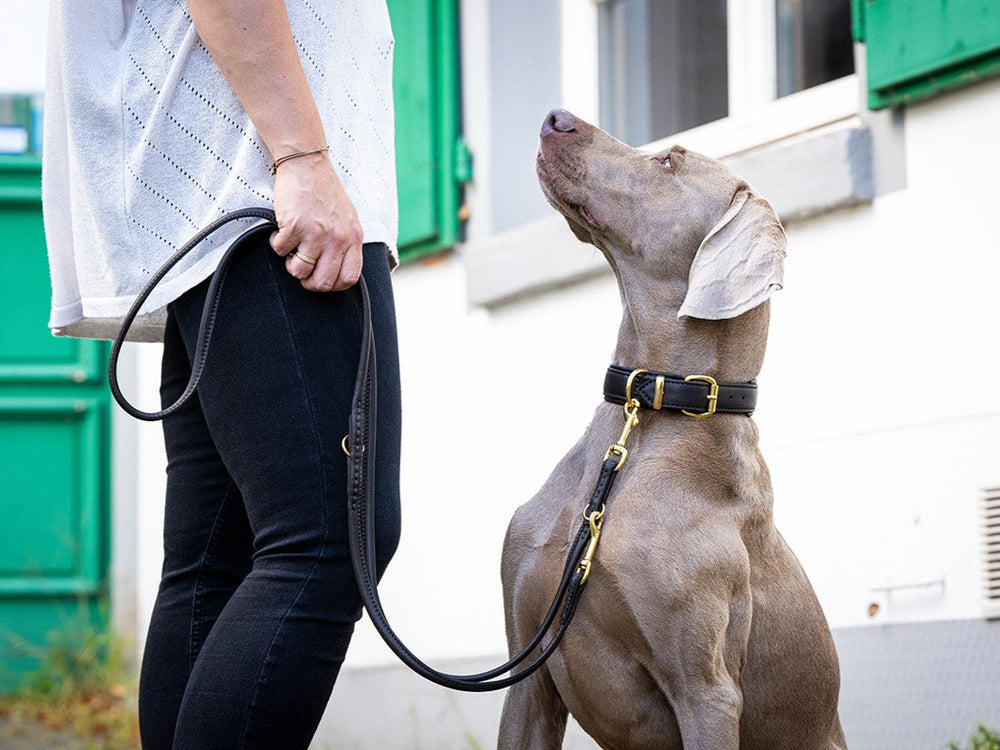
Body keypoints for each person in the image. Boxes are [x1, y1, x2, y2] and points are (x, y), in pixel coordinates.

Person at [43, 1, 402, 747]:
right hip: (258, 177)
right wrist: (300, 156)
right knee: (327, 540)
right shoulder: (284, 167)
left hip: (227, 180)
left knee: (218, 557)